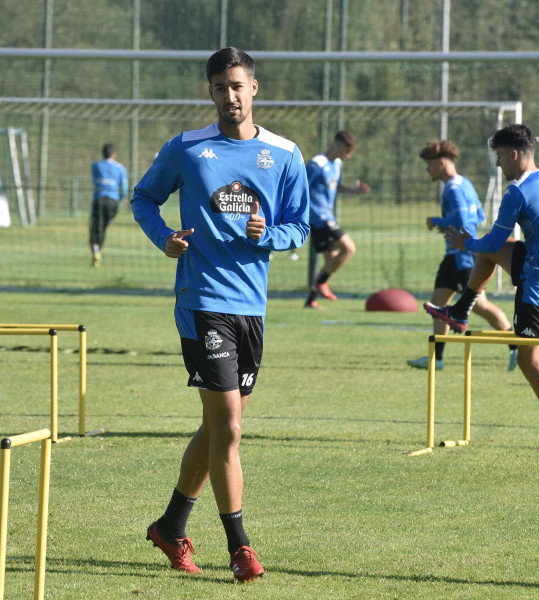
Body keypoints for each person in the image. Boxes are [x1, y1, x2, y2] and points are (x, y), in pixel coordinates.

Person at [131, 47, 309, 582]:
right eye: (219, 87)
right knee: (229, 426)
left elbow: (299, 226)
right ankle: (240, 547)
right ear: (208, 92)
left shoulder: (285, 154)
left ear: (254, 88)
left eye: (238, 86)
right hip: (202, 302)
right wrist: (164, 238)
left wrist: (270, 235)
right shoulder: (187, 149)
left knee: (216, 429)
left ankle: (169, 526)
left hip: (251, 308)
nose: (230, 96)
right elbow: (143, 198)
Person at [424, 124, 539, 450]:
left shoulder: (517, 192)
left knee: (529, 362)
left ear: (513, 154)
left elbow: (490, 238)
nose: (497, 165)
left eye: (498, 157)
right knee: (496, 250)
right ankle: (461, 310)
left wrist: (468, 243)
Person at [407, 140, 518, 372]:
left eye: (428, 165)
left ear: (441, 163)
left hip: (462, 256)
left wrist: (436, 221)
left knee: (480, 306)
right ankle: (436, 358)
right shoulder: (465, 184)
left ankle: (515, 346)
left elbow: (462, 221)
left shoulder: (453, 189)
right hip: (453, 255)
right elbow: (477, 215)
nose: (427, 170)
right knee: (438, 303)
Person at [303, 130, 370, 308]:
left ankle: (311, 300)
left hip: (327, 216)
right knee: (349, 249)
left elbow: (336, 187)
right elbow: (299, 187)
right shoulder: (317, 164)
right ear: (338, 145)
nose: (348, 156)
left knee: (331, 259)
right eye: (347, 151)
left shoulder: (337, 164)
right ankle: (320, 284)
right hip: (319, 217)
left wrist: (354, 191)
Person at [90, 142, 129, 267]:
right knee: (103, 227)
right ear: (114, 154)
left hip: (99, 200)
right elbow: (124, 189)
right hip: (113, 202)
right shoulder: (120, 168)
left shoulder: (95, 166)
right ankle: (98, 252)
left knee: (95, 228)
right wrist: (118, 201)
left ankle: (96, 251)